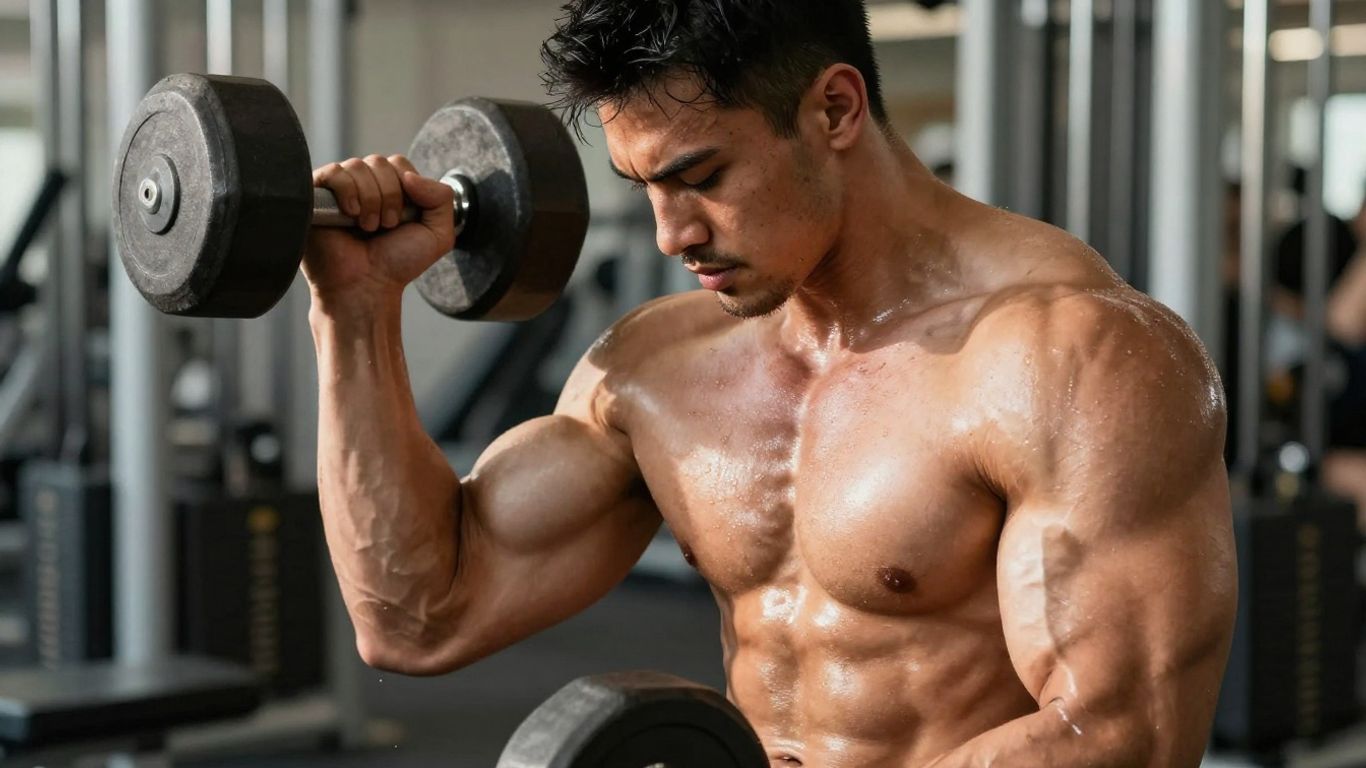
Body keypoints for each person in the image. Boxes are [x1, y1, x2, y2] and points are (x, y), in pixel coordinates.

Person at [303, 1, 1236, 765]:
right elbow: (419, 617)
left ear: (835, 110)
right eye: (644, 188)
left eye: (701, 176)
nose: (671, 234)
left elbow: (1122, 736)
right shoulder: (655, 371)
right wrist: (355, 312)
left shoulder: (1071, 359)